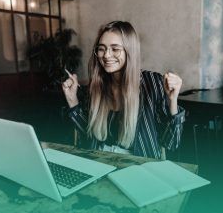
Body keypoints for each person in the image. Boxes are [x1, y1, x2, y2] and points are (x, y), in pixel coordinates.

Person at [62, 21, 185, 159]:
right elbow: (89, 136)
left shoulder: (152, 82)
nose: (106, 55)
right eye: (101, 48)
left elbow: (171, 143)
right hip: (101, 162)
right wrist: (72, 99)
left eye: (115, 49)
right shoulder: (97, 85)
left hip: (140, 168)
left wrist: (172, 101)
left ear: (130, 51)